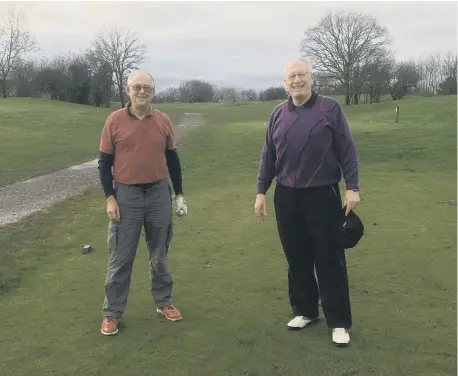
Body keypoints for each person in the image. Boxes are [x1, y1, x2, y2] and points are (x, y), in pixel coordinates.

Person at [254, 58, 360, 347]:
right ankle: (306, 310)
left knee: (329, 257)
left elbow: (347, 149)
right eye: (291, 76)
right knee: (297, 255)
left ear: (312, 78)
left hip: (323, 194)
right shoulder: (277, 113)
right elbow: (268, 156)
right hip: (286, 195)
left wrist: (352, 187)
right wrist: (261, 191)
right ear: (284, 81)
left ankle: (338, 321)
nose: (297, 80)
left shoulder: (330, 108)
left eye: (302, 74)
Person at [97, 70, 188, 336]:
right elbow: (104, 163)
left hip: (159, 193)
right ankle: (112, 312)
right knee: (121, 256)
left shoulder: (163, 120)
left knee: (159, 252)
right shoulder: (114, 121)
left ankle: (164, 301)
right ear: (128, 90)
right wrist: (109, 197)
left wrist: (179, 194)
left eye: (146, 88)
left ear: (153, 91)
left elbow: (172, 160)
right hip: (126, 195)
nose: (141, 92)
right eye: (136, 87)